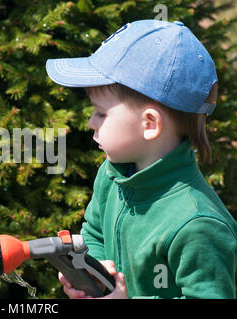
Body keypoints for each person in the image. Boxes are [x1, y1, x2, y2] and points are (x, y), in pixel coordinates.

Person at [46, 20, 236, 298]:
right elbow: (94, 232)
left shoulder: (198, 224)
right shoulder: (112, 176)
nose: (90, 122)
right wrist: (93, 272)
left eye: (100, 113)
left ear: (149, 124)